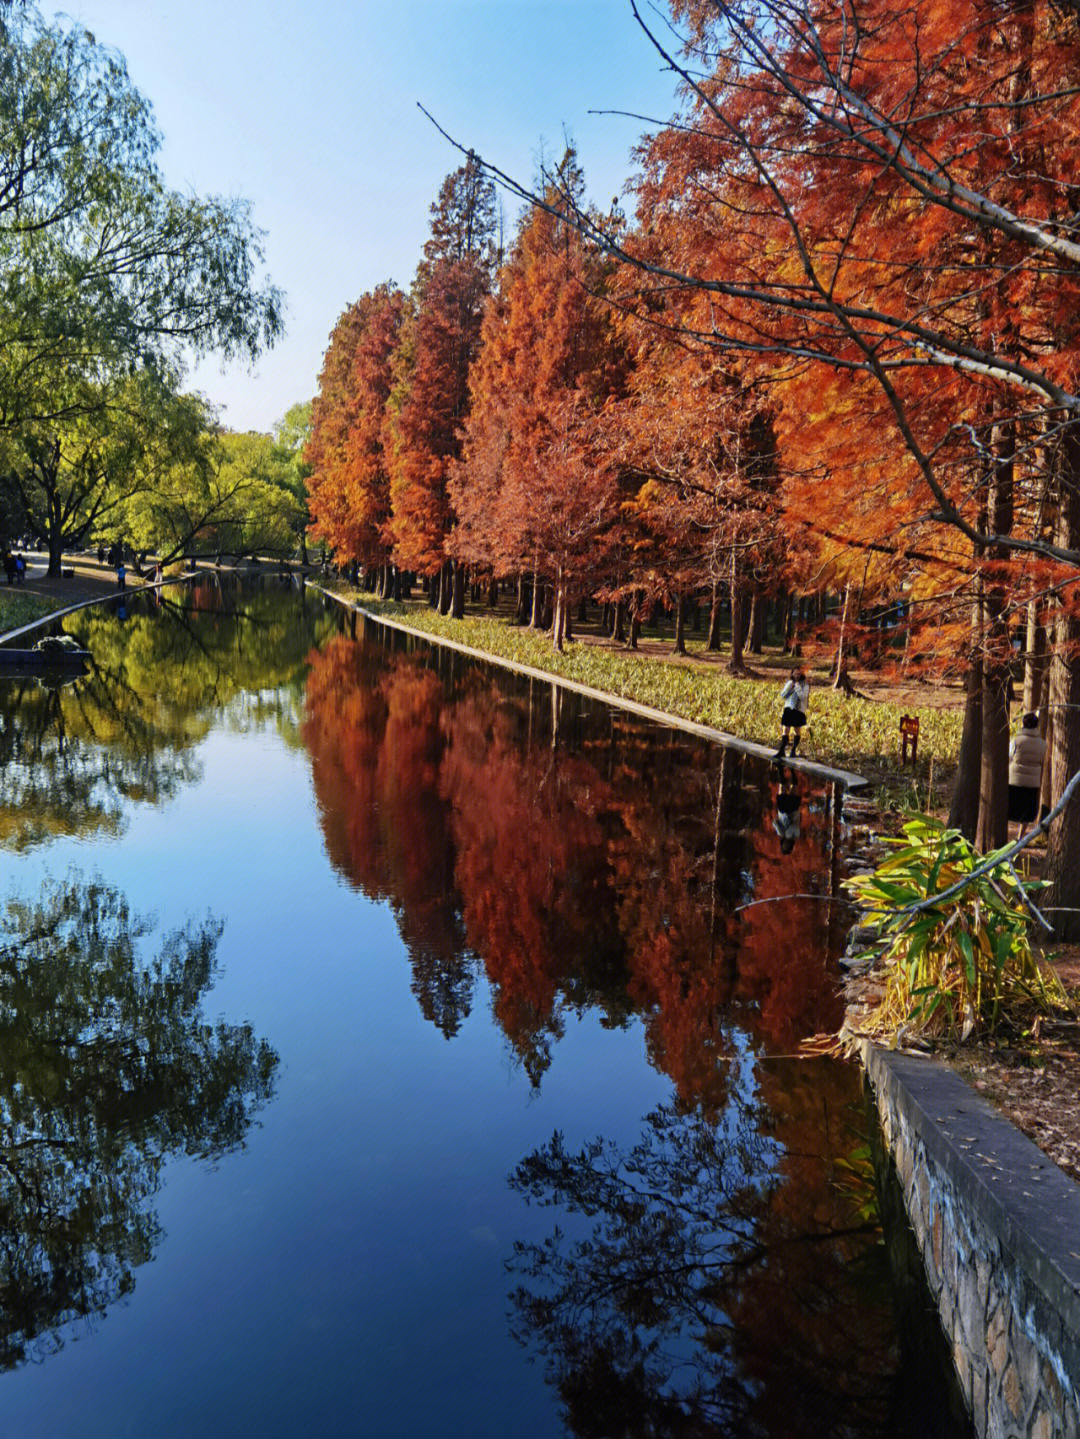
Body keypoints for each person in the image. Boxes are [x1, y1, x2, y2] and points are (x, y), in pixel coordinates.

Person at [1008, 711, 1047, 833]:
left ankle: (1004, 835)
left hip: (1015, 779)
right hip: (1033, 782)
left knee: (1010, 808)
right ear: (1036, 726)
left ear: (1023, 725)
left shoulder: (1016, 740)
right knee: (1027, 812)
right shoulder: (1042, 743)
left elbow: (1010, 756)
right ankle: (1020, 837)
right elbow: (1041, 760)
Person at [775, 666, 810, 758]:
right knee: (785, 729)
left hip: (798, 710)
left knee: (796, 730)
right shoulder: (790, 683)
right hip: (789, 708)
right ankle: (782, 751)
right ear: (792, 674)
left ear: (802, 674)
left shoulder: (805, 685)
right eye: (795, 673)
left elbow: (803, 697)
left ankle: (793, 750)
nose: (797, 675)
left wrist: (797, 686)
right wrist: (789, 687)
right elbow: (782, 695)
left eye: (799, 674)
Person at [773, 766, 802, 854]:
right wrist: (787, 835)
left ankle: (780, 769)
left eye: (784, 846)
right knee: (794, 788)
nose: (786, 845)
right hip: (793, 810)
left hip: (782, 810)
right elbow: (794, 826)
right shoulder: (795, 835)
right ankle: (792, 770)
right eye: (787, 846)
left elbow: (775, 822)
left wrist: (780, 831)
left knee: (782, 788)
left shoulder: (780, 834)